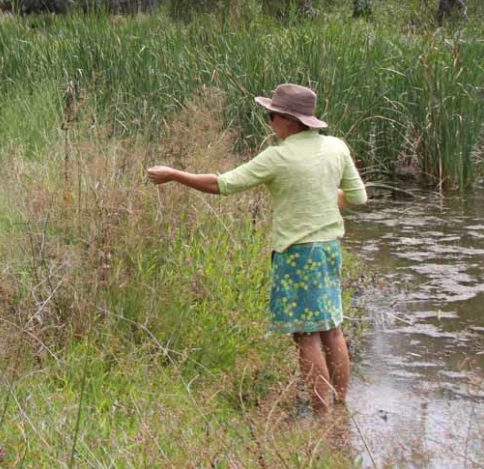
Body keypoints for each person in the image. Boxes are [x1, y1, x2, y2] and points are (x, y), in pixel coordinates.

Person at [145, 83, 367, 414]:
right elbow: (358, 197)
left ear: (289, 120)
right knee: (332, 328)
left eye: (271, 116)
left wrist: (176, 175)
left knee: (305, 334)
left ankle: (324, 418)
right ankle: (341, 406)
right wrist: (322, 194)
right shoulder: (337, 148)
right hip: (329, 249)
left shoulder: (278, 157)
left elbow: (222, 184)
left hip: (297, 254)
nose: (269, 123)